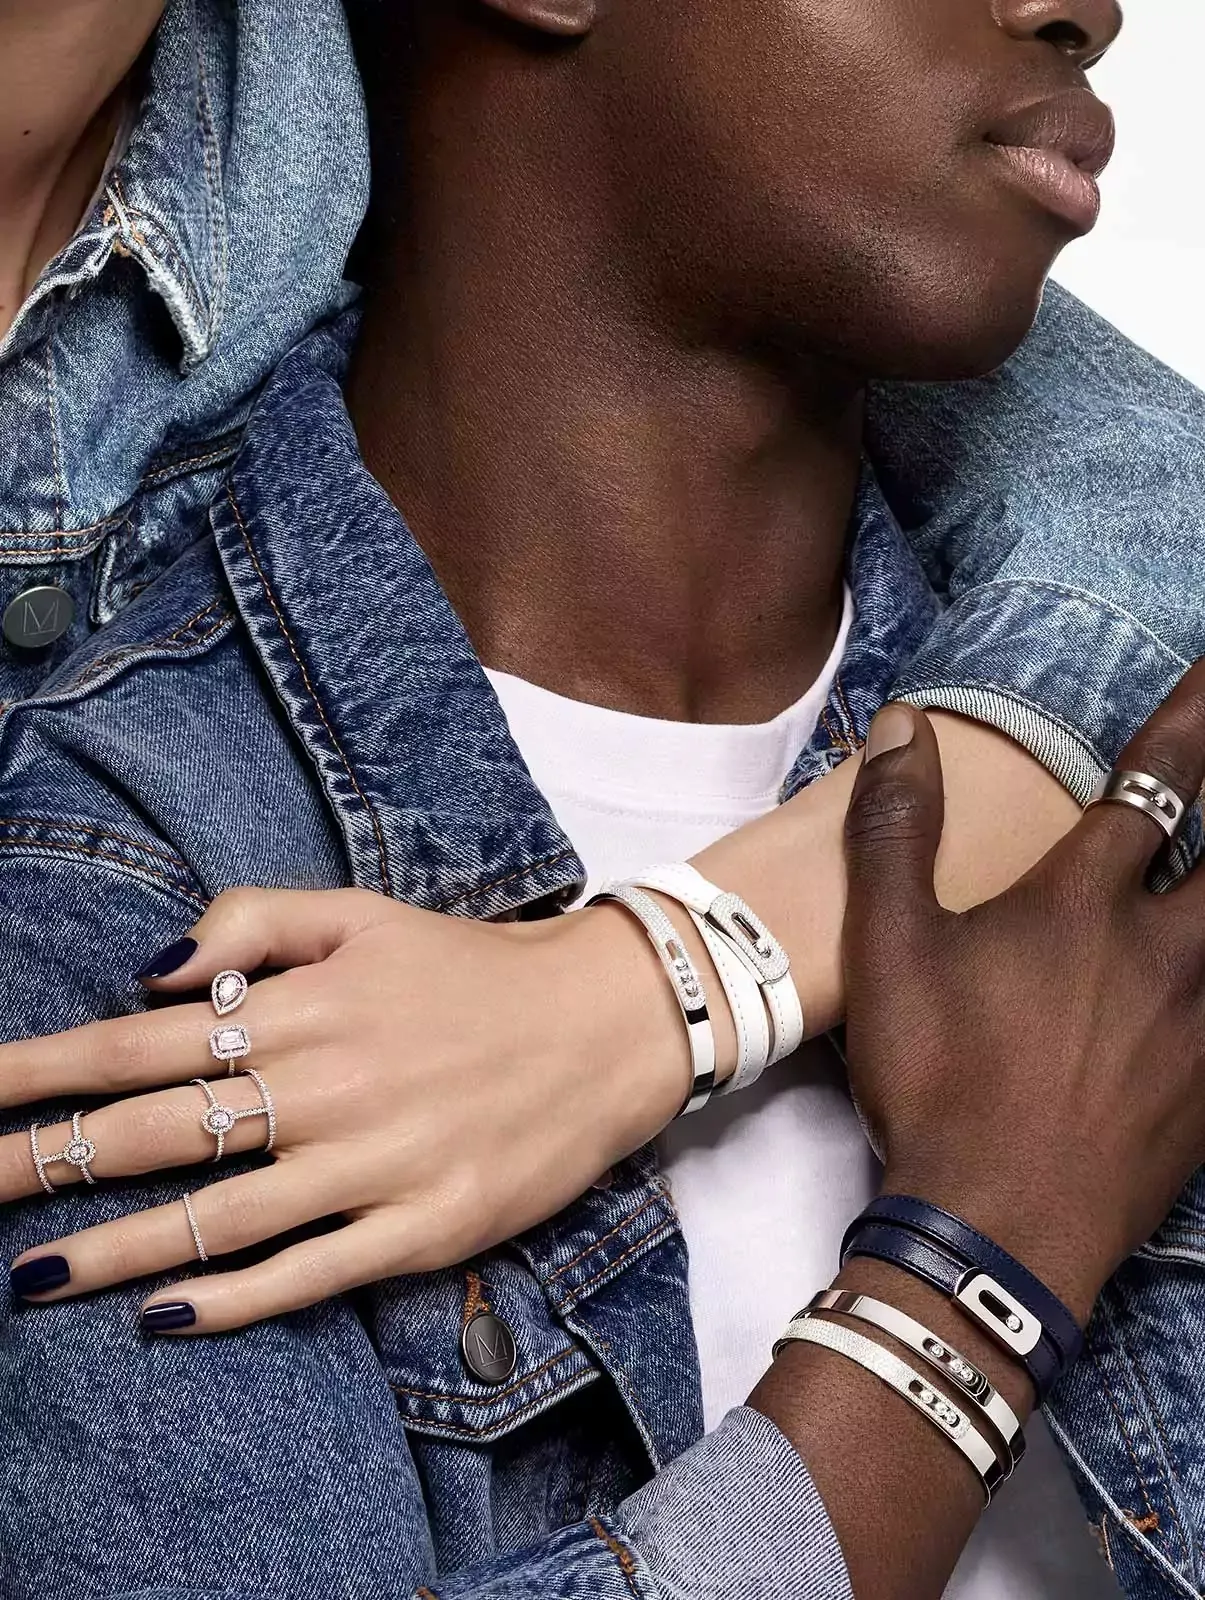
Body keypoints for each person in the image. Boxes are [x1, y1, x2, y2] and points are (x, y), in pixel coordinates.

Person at [3, 1, 1205, 1597]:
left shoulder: (1134, 757)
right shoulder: (130, 888)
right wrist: (975, 1273)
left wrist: (666, 978)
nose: (1088, 9)